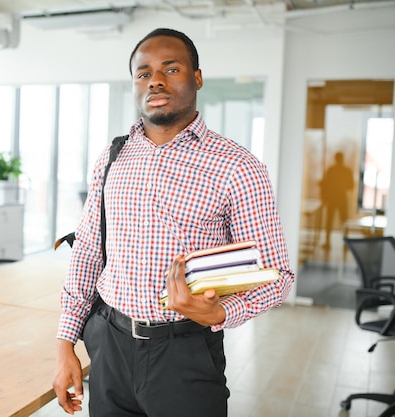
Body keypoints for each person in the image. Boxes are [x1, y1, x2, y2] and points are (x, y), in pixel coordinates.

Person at [52, 28, 295, 416]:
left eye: (171, 68)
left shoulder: (238, 167)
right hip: (110, 345)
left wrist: (221, 313)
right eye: (143, 73)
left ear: (197, 77)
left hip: (185, 353)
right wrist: (66, 344)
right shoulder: (113, 157)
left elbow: (277, 276)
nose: (156, 81)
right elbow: (87, 256)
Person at [320, 151, 354, 250]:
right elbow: (350, 186)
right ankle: (343, 244)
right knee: (338, 222)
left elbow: (325, 185)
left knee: (339, 222)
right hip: (339, 199)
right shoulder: (344, 171)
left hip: (336, 198)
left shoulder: (333, 170)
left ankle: (334, 243)